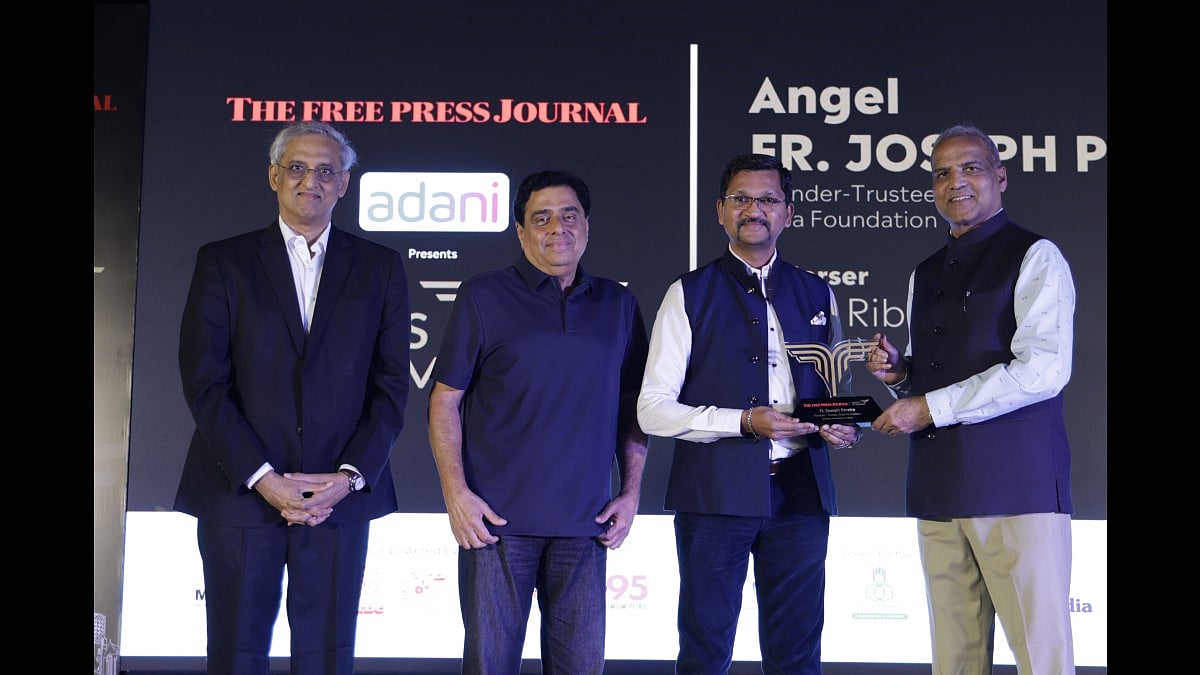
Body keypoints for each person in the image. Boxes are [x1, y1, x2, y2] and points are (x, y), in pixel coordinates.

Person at [175, 121, 410, 675]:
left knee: (327, 657)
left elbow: (392, 384)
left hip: (337, 498)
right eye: (299, 168)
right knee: (236, 654)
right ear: (274, 176)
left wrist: (347, 478)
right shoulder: (223, 262)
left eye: (327, 170)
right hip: (240, 493)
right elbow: (203, 379)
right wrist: (264, 478)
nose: (312, 180)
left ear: (344, 184)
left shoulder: (379, 267)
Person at [637, 153, 862, 674]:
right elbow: (652, 411)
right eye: (740, 198)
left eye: (767, 199)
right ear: (720, 211)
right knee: (705, 647)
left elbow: (833, 387)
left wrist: (841, 426)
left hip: (802, 492)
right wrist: (741, 421)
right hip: (715, 494)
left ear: (787, 213)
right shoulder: (688, 294)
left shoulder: (817, 292)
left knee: (798, 652)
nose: (752, 209)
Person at [866, 123, 1076, 674]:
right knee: (954, 660)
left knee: (1041, 657)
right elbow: (930, 379)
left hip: (1017, 487)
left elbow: (1043, 370)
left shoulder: (1036, 255)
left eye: (970, 168)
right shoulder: (926, 271)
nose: (954, 181)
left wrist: (928, 407)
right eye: (941, 173)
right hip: (938, 485)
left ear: (1000, 177)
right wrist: (899, 375)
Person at [427, 169, 649, 674]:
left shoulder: (618, 304)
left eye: (569, 215)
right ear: (522, 232)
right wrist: (456, 494)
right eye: (541, 217)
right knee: (490, 667)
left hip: (586, 526)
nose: (557, 227)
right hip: (497, 527)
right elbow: (444, 400)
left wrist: (631, 491)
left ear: (586, 226)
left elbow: (634, 407)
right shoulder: (483, 296)